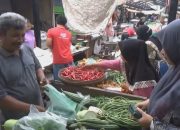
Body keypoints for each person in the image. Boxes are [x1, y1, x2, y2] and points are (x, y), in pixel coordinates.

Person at [0, 12, 48, 123]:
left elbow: (37, 66)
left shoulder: (26, 49)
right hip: (17, 120)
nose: (21, 40)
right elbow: (2, 99)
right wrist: (32, 108)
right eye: (15, 35)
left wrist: (42, 78)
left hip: (38, 110)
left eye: (23, 35)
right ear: (1, 34)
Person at [136, 19, 180, 130]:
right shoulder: (175, 69)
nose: (162, 52)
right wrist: (150, 102)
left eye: (169, 45)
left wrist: (152, 124)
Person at [84, 39, 159, 98]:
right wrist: (94, 64)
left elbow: (143, 100)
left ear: (130, 54)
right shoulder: (131, 63)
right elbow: (112, 64)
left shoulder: (144, 78)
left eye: (122, 53)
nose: (120, 55)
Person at [46, 15, 73, 80]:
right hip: (69, 59)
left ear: (56, 22)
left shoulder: (51, 31)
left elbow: (48, 44)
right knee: (69, 79)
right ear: (65, 23)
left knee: (59, 82)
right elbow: (69, 44)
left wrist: (53, 50)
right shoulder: (69, 33)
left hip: (58, 60)